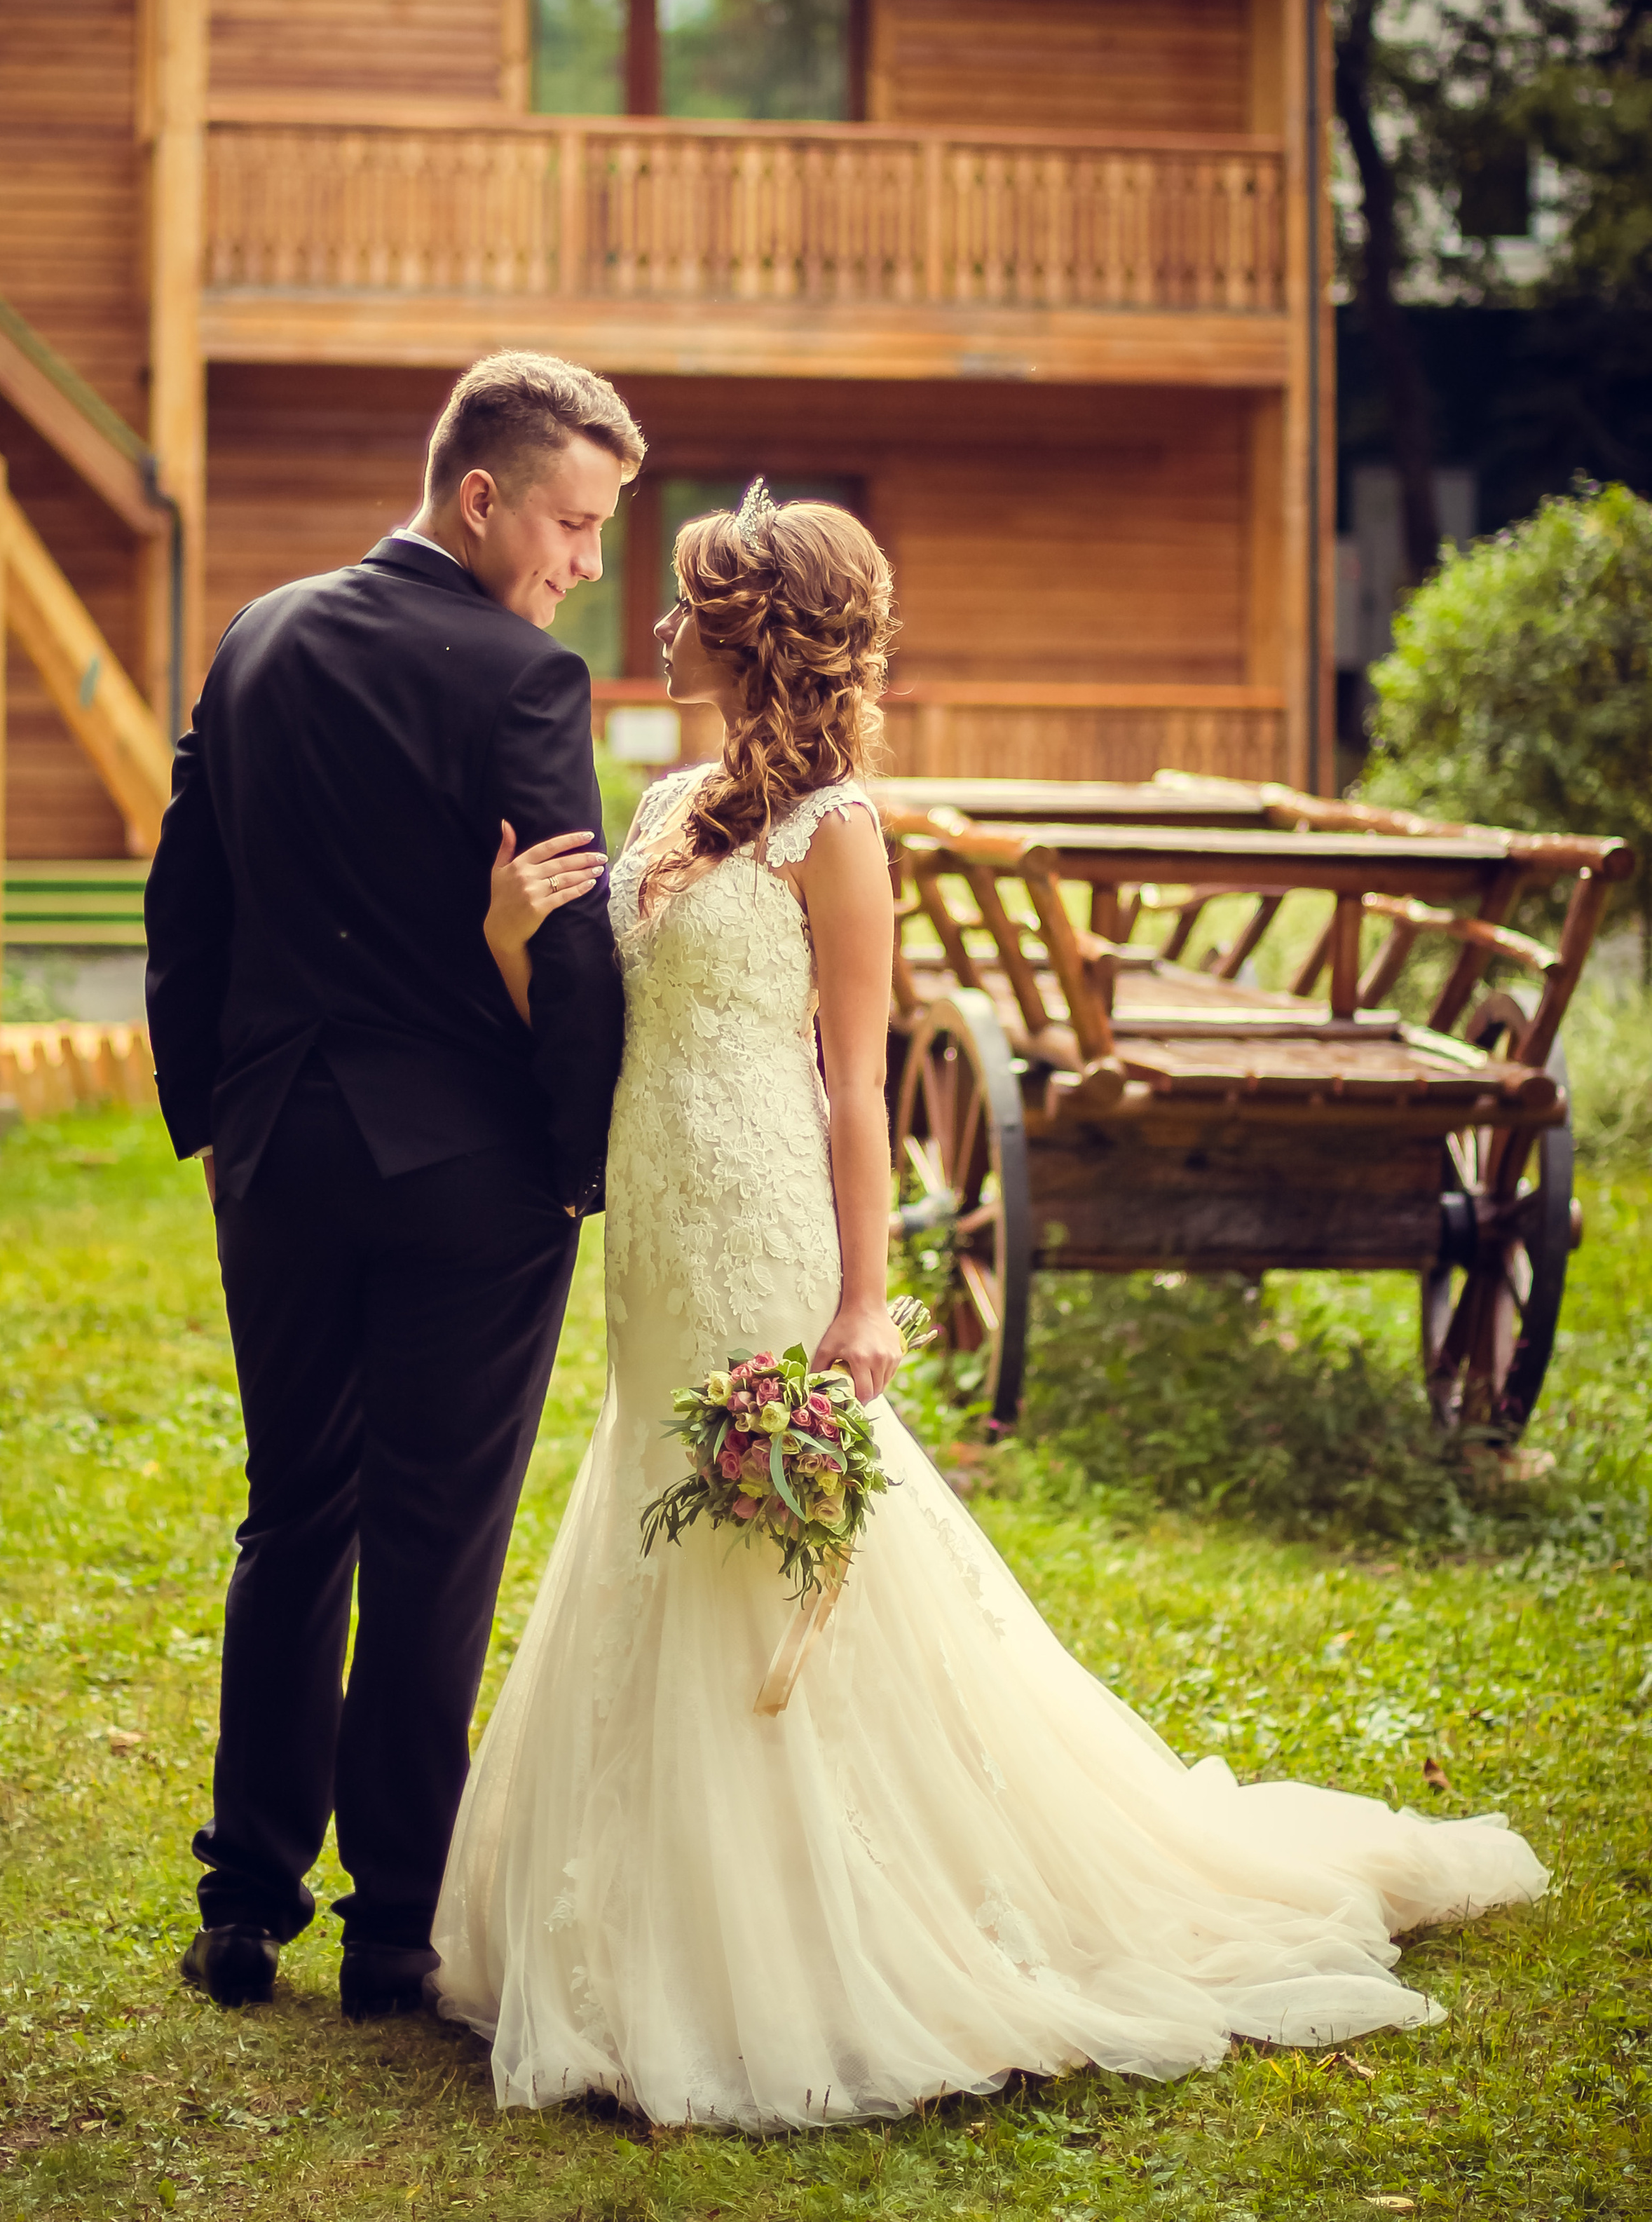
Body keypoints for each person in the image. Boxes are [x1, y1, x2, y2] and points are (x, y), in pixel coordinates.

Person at [430, 481, 1548, 2128]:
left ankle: (808, 1921)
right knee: (657, 1515)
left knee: (772, 1547)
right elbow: (593, 1033)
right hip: (653, 1237)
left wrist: (869, 1297)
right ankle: (628, 1901)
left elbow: (858, 1085)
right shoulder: (664, 807)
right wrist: (510, 945)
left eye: (687, 604)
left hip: (763, 1228)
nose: (656, 624)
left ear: (757, 633)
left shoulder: (841, 833)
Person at [144, 350, 642, 2021]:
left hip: (276, 1151)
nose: (582, 566)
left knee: (293, 1516)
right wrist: (579, 1164)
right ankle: (389, 1936)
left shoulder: (256, 634)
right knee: (432, 1544)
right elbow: (568, 946)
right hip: (466, 1179)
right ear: (482, 493)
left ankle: (243, 1904)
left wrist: (208, 1112)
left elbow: (184, 894)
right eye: (572, 527)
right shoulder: (522, 683)